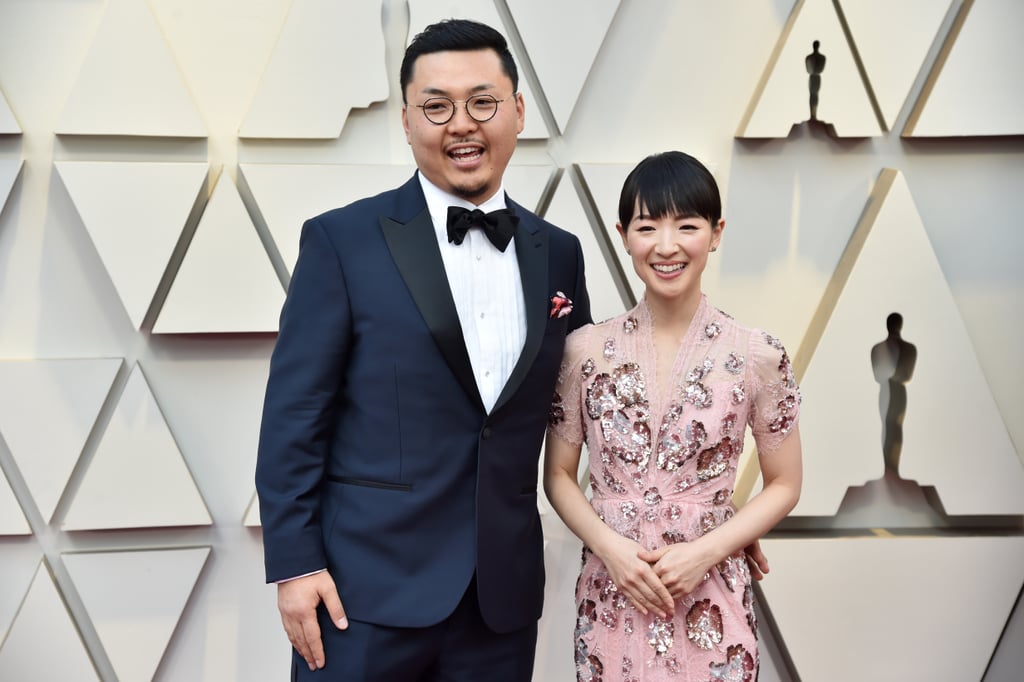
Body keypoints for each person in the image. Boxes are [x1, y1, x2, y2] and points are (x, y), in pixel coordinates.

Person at [255, 18, 591, 681]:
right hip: (362, 598)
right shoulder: (341, 242)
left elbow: (584, 413)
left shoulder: (559, 254)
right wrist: (295, 564)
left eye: (482, 102)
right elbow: (294, 418)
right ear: (407, 121)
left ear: (519, 112)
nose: (460, 123)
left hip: (500, 605)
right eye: (436, 106)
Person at [544, 151, 802, 680]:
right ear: (623, 234)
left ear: (715, 232)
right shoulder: (584, 351)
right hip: (612, 591)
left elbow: (785, 484)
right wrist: (610, 548)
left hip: (712, 594)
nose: (666, 246)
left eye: (686, 225)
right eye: (647, 226)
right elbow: (558, 477)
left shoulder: (758, 354)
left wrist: (705, 552)